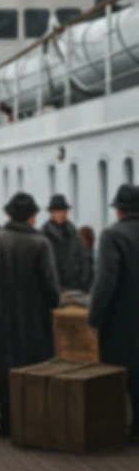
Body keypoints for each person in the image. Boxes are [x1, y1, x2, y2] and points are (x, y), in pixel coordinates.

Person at [0, 192, 61, 437]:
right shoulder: (41, 244)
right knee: (34, 369)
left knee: (4, 370)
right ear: (32, 217)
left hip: (1, 318)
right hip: (36, 319)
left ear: (8, 215)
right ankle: (31, 422)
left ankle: (6, 423)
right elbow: (51, 288)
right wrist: (56, 303)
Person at [88, 183, 139, 437]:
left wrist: (94, 318)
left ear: (118, 210)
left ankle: (122, 427)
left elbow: (105, 281)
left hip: (122, 318)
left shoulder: (112, 235)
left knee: (120, 374)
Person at [41, 195, 92, 291]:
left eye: (64, 211)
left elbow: (83, 258)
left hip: (74, 287)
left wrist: (82, 282)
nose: (61, 214)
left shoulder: (73, 232)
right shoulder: (44, 235)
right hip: (52, 288)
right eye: (58, 211)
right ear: (51, 213)